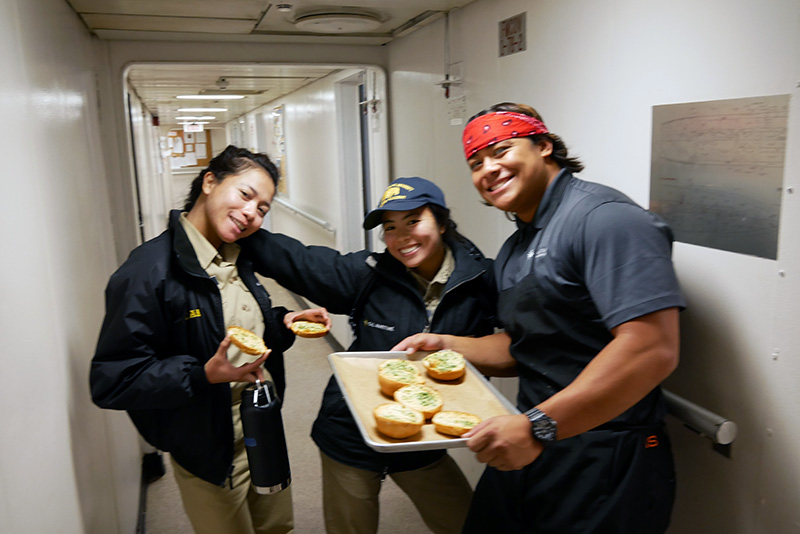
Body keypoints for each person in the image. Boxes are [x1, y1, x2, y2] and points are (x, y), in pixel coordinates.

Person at [393, 103, 685, 533]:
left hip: (606, 453)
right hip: (538, 435)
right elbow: (529, 343)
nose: (488, 169)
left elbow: (651, 348)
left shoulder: (605, 219)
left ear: (544, 146)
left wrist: (538, 428)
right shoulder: (517, 245)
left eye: (501, 150)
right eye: (476, 163)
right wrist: (449, 345)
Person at [90, 145, 330, 534]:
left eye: (263, 208)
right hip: (209, 452)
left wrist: (284, 321)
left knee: (277, 528)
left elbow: (239, 327)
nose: (252, 212)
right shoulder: (147, 273)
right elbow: (113, 380)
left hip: (262, 429)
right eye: (246, 194)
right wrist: (202, 375)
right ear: (209, 182)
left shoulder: (237, 256)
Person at [240, 177, 497, 534]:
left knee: (467, 523)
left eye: (413, 221)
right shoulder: (369, 274)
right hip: (350, 436)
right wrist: (238, 224)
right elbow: (297, 260)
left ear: (440, 221)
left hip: (422, 439)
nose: (402, 236)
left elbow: (515, 344)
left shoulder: (481, 281)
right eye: (390, 227)